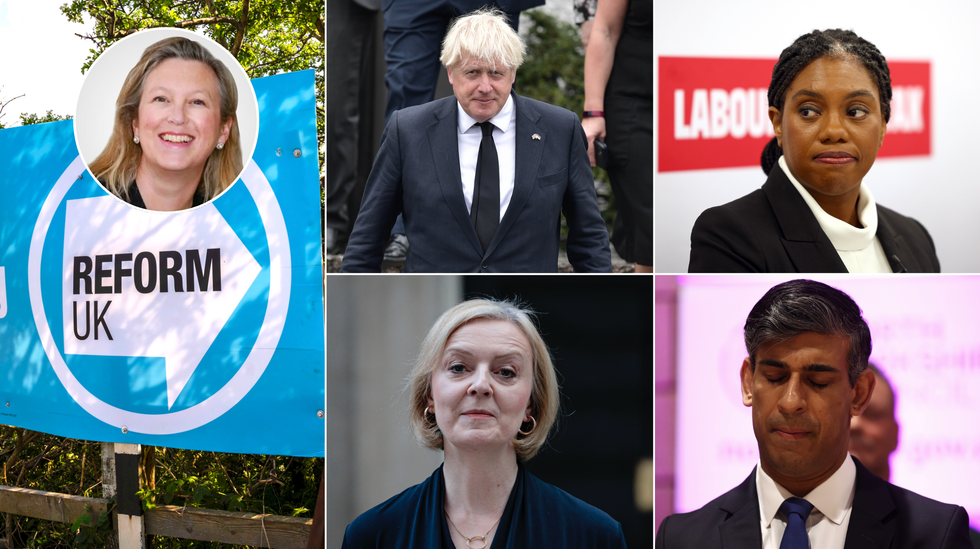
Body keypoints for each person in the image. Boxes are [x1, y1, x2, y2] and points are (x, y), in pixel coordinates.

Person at [656, 279, 972, 548]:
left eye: (818, 381)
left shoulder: (935, 534)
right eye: (775, 378)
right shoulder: (683, 538)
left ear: (859, 393)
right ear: (748, 383)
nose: (791, 401)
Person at [340, 8, 612, 273]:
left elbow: (588, 238)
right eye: (472, 73)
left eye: (496, 73)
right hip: (436, 308)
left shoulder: (561, 129)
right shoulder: (407, 130)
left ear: (513, 73)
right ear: (450, 72)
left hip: (530, 307)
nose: (485, 87)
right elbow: (368, 238)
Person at [342, 299, 628, 548]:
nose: (480, 385)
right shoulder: (372, 536)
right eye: (458, 368)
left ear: (531, 403)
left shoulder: (593, 536)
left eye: (505, 371)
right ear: (429, 395)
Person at [688, 30, 940, 273]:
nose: (834, 131)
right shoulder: (728, 235)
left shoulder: (915, 237)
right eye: (809, 111)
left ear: (883, 126)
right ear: (777, 123)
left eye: (855, 111)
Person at [89, 37, 242, 211]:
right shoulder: (83, 201)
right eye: (161, 99)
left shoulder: (238, 221)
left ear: (224, 130)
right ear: (135, 122)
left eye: (197, 102)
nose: (177, 117)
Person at [850, 363, 980, 548]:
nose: (855, 425)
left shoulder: (949, 536)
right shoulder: (799, 521)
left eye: (872, 414)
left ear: (896, 434)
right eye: (845, 413)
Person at [581, 0, 652, 272]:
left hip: (695, 99)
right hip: (634, 102)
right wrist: (593, 112)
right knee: (649, 224)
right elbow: (604, 31)